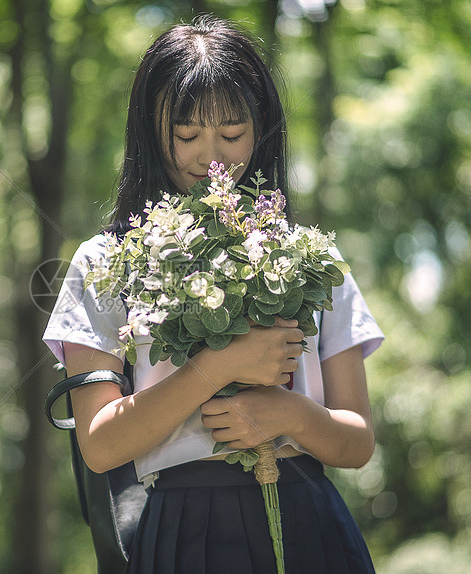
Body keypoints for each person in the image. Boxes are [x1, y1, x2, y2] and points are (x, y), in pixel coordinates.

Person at [43, 15, 383, 573]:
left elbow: (358, 441)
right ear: (150, 132)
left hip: (308, 524)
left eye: (231, 133)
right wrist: (219, 364)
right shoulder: (105, 263)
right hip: (181, 532)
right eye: (187, 135)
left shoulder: (310, 257)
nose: (211, 157)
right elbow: (101, 445)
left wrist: (290, 413)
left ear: (263, 127)